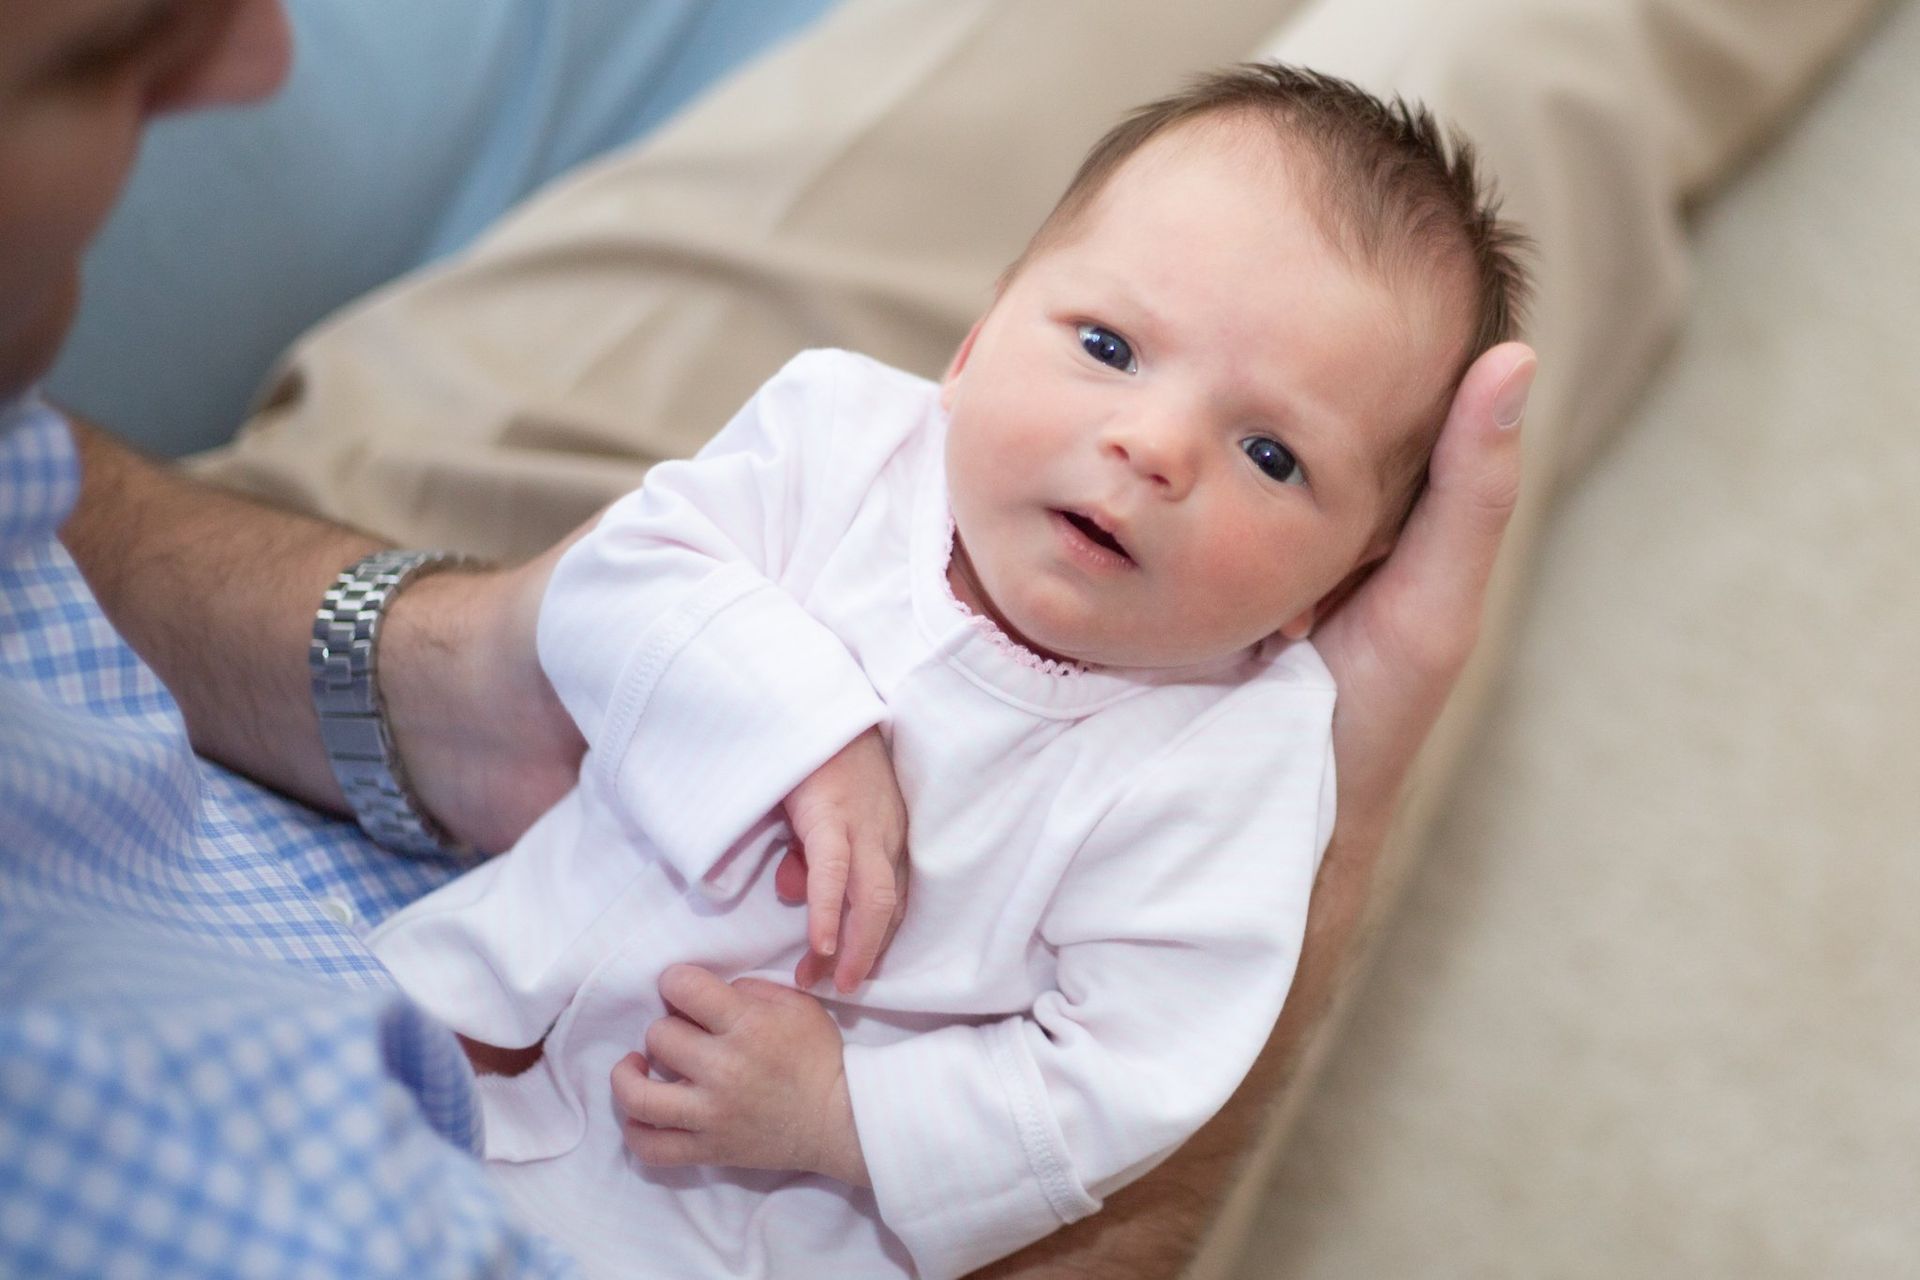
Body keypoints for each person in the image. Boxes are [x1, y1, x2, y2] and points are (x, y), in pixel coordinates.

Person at [0, 1, 1538, 1276]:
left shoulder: (1239, 764)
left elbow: (1125, 1074)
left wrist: (847, 1115)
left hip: (730, 1216)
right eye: (1106, 346)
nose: (1152, 446)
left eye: (1275, 458)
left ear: (1333, 587)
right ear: (974, 336)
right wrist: (797, 721)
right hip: (449, 981)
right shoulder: (839, 435)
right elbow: (627, 577)